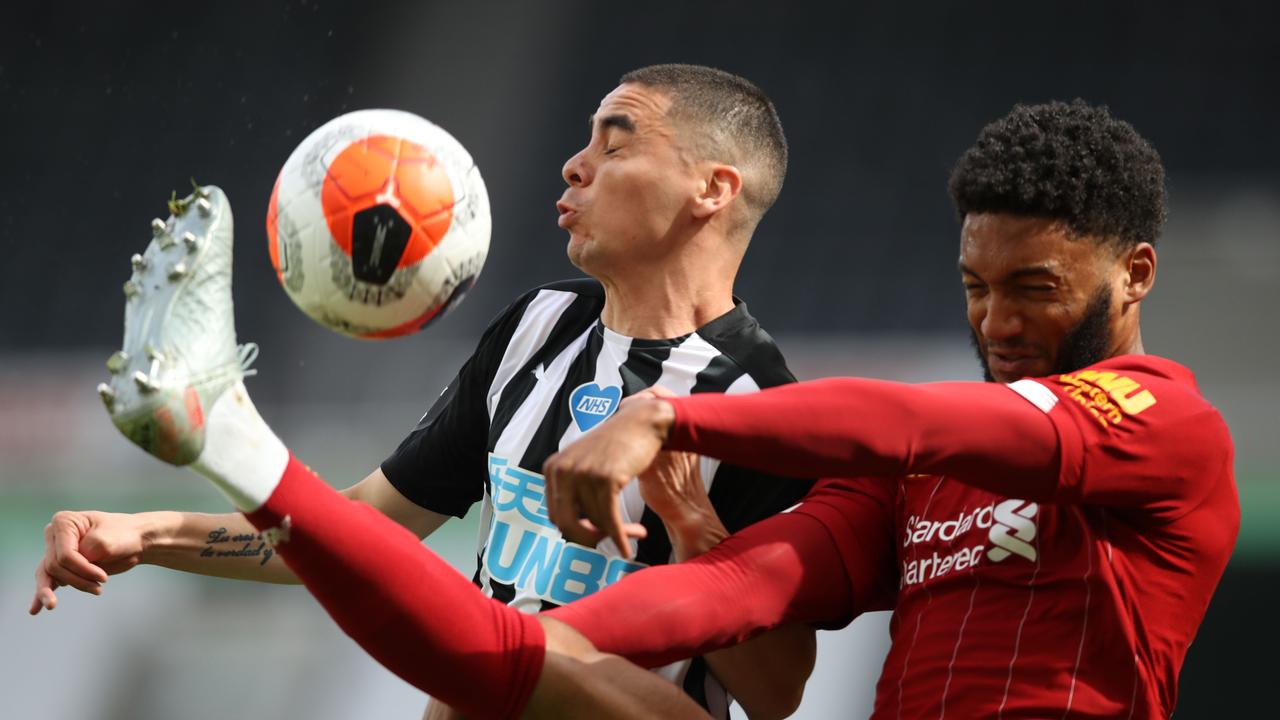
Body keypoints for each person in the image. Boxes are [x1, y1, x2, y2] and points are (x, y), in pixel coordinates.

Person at [31, 64, 816, 719]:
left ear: (712, 189)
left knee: (533, 657)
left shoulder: (758, 403)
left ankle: (228, 433)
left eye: (616, 145)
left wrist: (690, 523)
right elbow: (368, 528)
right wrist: (148, 533)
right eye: (583, 144)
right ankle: (224, 439)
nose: (576, 166)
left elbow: (777, 693)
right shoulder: (539, 327)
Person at [543, 99, 1240, 718]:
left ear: (1135, 274)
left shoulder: (1163, 421)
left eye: (1034, 288)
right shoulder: (924, 476)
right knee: (549, 669)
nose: (996, 322)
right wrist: (533, 644)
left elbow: (909, 424)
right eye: (977, 287)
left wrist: (667, 416)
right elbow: (744, 585)